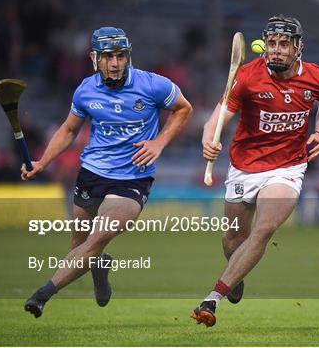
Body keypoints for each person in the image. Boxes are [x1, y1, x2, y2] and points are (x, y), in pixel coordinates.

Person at [22, 27, 193, 318]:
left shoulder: (152, 85)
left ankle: (42, 295)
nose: (115, 63)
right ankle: (99, 269)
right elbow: (68, 130)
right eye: (108, 57)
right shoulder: (85, 90)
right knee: (80, 245)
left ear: (128, 57)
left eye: (121, 56)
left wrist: (159, 143)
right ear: (94, 58)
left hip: (132, 179)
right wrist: (42, 162)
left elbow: (183, 109)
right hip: (91, 174)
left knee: (97, 239)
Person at [192, 15, 319, 327]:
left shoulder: (317, 77)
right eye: (272, 43)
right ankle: (236, 274)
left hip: (288, 168)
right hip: (245, 167)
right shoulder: (246, 77)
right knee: (233, 240)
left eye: (284, 44)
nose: (276, 50)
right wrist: (209, 142)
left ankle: (212, 298)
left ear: (298, 48)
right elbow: (215, 121)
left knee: (263, 230)